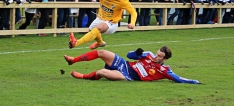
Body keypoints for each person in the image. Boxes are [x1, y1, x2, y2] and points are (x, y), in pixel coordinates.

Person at [63, 46, 200, 84]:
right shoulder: (148, 55)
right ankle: (73, 60)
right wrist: (137, 54)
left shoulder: (164, 70)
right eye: (157, 53)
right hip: (124, 64)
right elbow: (129, 55)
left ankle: (83, 76)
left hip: (126, 75)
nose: (156, 56)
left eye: (160, 56)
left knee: (101, 73)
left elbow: (179, 79)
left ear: (165, 59)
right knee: (102, 52)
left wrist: (194, 81)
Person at [68, 0, 137, 50]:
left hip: (112, 22)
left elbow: (133, 12)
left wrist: (132, 23)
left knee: (98, 28)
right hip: (100, 18)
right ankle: (100, 42)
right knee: (91, 32)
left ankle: (76, 43)